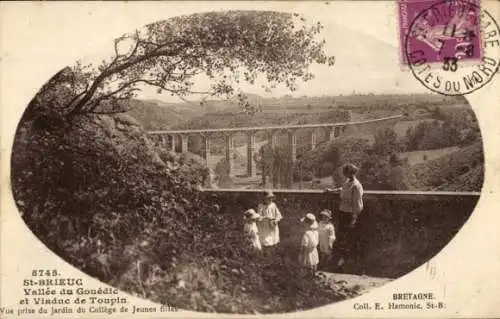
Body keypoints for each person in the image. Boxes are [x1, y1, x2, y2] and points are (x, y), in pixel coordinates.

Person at [324, 163, 364, 270]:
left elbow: (358, 203)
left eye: (345, 172)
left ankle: (344, 263)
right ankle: (338, 262)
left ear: (349, 173)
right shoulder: (348, 182)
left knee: (348, 239)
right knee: (341, 237)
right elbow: (343, 189)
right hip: (343, 213)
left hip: (350, 215)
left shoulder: (356, 185)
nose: (343, 174)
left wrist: (354, 218)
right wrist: (332, 191)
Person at [298, 213, 319, 277]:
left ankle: (308, 275)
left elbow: (305, 244)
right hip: (314, 250)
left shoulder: (306, 233)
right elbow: (317, 241)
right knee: (314, 262)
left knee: (308, 263)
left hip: (307, 251)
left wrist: (301, 252)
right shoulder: (316, 232)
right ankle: (314, 274)